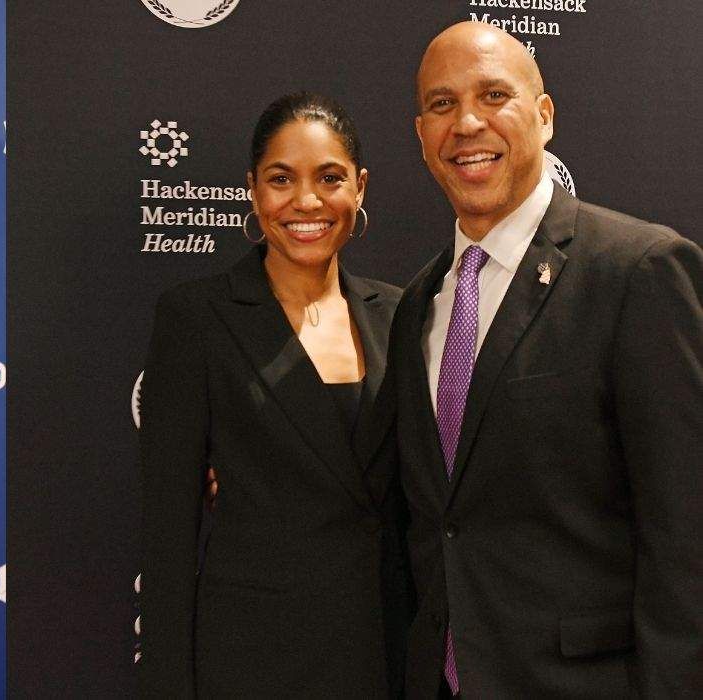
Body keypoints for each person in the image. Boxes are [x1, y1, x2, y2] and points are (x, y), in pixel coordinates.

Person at [389, 21, 703, 698]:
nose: (466, 122)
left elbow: (686, 534)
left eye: (492, 95)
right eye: (441, 105)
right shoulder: (416, 304)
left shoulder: (636, 270)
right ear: (420, 137)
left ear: (543, 116)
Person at [137, 92, 411, 698]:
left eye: (330, 178)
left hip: (386, 651)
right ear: (253, 191)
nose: (306, 202)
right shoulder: (197, 318)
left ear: (360, 188)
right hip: (255, 657)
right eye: (281, 179)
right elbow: (168, 532)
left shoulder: (402, 315)